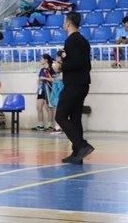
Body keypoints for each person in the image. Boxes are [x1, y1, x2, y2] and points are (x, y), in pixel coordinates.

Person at [56, 11, 94, 164]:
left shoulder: (72, 40)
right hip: (82, 84)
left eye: (65, 21)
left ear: (68, 23)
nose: (64, 23)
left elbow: (77, 63)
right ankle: (77, 154)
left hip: (74, 84)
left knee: (60, 116)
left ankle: (82, 145)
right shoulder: (83, 41)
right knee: (75, 117)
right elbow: (86, 65)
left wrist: (60, 66)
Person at [32, 54, 54, 131]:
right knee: (39, 107)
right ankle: (40, 124)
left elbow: (53, 80)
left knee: (48, 108)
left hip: (48, 89)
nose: (40, 60)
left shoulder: (51, 69)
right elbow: (39, 79)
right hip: (41, 90)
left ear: (46, 60)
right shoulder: (42, 70)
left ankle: (50, 125)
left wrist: (45, 78)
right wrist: (39, 81)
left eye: (41, 59)